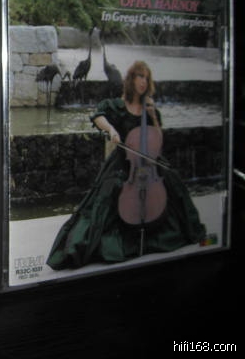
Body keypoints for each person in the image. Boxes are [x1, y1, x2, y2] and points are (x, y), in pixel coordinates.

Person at [46, 60, 206, 270]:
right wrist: (111, 130)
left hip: (149, 161)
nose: (143, 81)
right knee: (109, 193)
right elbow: (98, 116)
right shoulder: (117, 106)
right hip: (124, 162)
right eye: (140, 76)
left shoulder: (150, 109)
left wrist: (153, 116)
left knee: (172, 180)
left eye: (146, 78)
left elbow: (158, 140)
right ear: (131, 80)